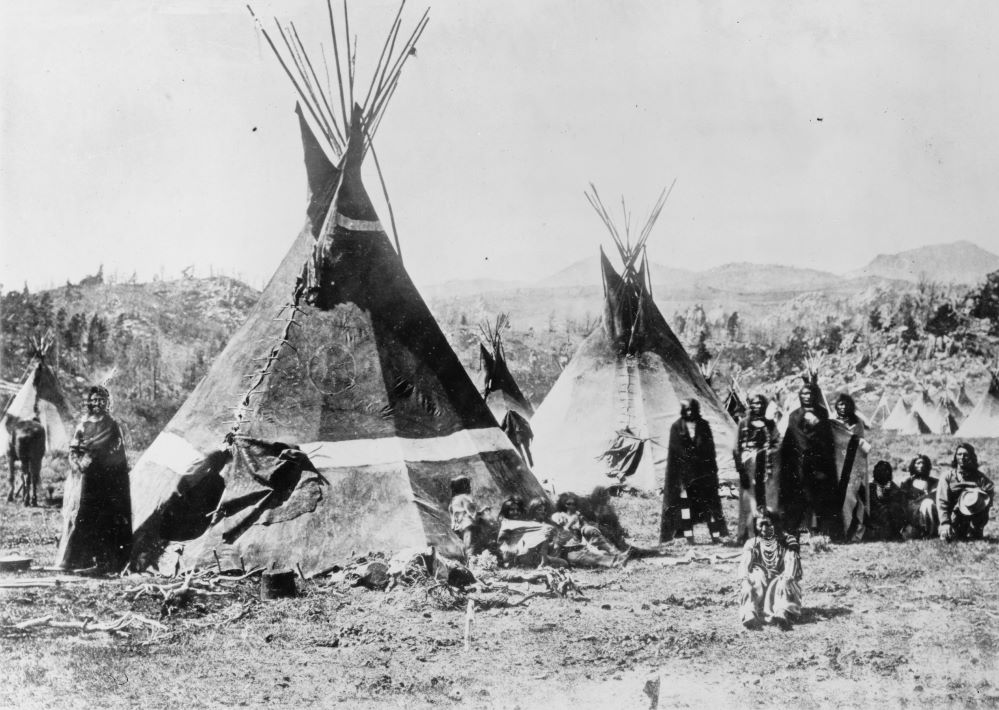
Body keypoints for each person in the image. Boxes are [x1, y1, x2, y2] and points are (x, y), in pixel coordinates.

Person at [55, 386, 131, 572]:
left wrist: (105, 464)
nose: (97, 403)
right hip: (87, 478)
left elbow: (119, 452)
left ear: (107, 402)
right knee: (84, 515)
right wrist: (77, 465)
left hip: (108, 479)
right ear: (89, 402)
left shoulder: (113, 425)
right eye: (94, 400)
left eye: (101, 400)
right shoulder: (82, 425)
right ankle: (78, 561)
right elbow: (73, 450)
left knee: (105, 518)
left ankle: (104, 563)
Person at [661, 399, 728, 543]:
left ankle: (715, 537)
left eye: (692, 409)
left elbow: (710, 451)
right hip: (685, 475)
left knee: (709, 505)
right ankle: (689, 538)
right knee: (686, 506)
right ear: (683, 411)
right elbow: (676, 454)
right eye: (687, 410)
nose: (690, 412)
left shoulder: (703, 425)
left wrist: (711, 472)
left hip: (702, 474)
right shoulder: (677, 427)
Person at [779, 380, 839, 541]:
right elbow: (792, 438)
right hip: (798, 463)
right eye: (803, 393)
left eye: (809, 393)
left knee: (818, 497)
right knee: (798, 497)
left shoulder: (822, 413)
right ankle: (794, 531)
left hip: (818, 463)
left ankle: (818, 532)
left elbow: (827, 439)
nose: (806, 396)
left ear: (814, 395)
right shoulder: (794, 415)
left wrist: (817, 424)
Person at [737, 509, 803, 630]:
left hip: (782, 581)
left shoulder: (788, 541)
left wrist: (787, 578)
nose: (763, 528)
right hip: (761, 587)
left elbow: (791, 564)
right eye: (760, 524)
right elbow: (744, 565)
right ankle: (750, 612)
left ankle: (783, 612)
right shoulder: (752, 543)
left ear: (776, 524)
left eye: (767, 524)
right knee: (754, 578)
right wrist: (745, 581)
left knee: (783, 583)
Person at [734, 393, 780, 543]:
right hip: (748, 467)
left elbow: (777, 442)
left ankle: (765, 533)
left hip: (765, 467)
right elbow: (736, 448)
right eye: (754, 403)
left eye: (760, 403)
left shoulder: (770, 424)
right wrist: (741, 469)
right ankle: (746, 535)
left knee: (764, 500)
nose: (757, 406)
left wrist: (767, 453)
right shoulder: (743, 423)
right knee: (748, 500)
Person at [832, 393, 871, 542]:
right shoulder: (833, 423)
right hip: (838, 465)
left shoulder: (857, 423)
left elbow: (860, 443)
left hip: (853, 464)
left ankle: (854, 531)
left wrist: (853, 440)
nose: (843, 407)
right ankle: (839, 532)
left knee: (852, 497)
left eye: (846, 404)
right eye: (840, 404)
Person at [937, 443, 994, 541]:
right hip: (952, 518)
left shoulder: (980, 478)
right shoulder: (947, 476)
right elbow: (942, 501)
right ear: (955, 456)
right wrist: (945, 523)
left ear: (972, 457)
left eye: (966, 455)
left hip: (973, 517)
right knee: (948, 537)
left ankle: (974, 530)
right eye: (959, 454)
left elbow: (989, 491)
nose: (962, 457)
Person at [899, 454, 939, 538]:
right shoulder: (907, 483)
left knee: (928, 503)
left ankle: (931, 532)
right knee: (927, 502)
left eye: (923, 463)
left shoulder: (934, 481)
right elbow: (903, 502)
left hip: (931, 510)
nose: (921, 465)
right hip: (914, 513)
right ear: (913, 466)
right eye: (918, 463)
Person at [866, 461, 906, 541]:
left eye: (887, 471)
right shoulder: (871, 486)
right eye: (882, 470)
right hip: (876, 514)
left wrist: (887, 494)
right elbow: (872, 501)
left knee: (894, 508)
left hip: (891, 514)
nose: (885, 473)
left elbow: (898, 500)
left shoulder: (892, 486)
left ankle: (892, 533)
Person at [448, 475, 484, 558]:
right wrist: (481, 513)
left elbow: (452, 511)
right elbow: (471, 512)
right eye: (468, 485)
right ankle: (471, 560)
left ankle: (468, 559)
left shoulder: (454, 500)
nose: (470, 487)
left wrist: (454, 523)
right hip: (467, 524)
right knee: (471, 544)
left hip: (459, 525)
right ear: (465, 487)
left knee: (466, 543)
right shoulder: (465, 498)